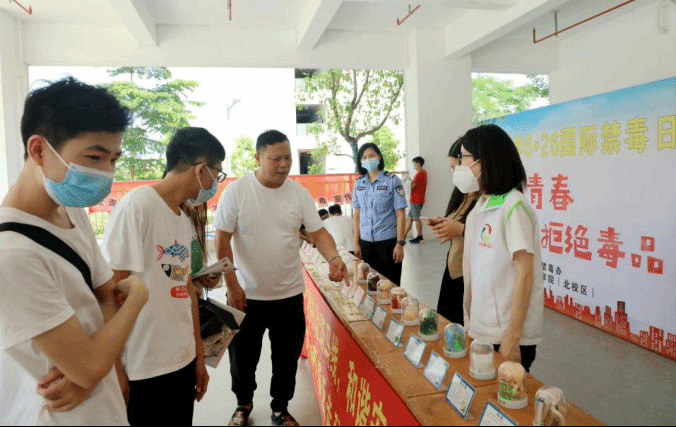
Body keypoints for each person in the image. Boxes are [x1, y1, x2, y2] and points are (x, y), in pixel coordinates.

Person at [0, 77, 148, 425]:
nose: (106, 171)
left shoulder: (70, 212)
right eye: (94, 156)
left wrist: (92, 372)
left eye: (113, 159)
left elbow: (106, 296)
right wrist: (140, 295)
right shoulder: (12, 254)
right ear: (38, 150)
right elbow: (89, 364)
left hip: (102, 409)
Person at [214, 129, 349, 427]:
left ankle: (280, 408)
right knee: (242, 359)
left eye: (288, 158)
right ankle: (243, 403)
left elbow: (319, 233)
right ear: (258, 158)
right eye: (276, 159)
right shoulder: (237, 192)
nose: (284, 164)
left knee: (286, 360)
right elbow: (221, 240)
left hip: (288, 295)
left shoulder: (298, 194)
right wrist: (232, 285)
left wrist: (334, 258)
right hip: (245, 295)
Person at [102, 127, 226, 425]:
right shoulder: (138, 206)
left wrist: (198, 358)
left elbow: (187, 293)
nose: (215, 184)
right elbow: (108, 294)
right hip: (143, 369)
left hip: (182, 362)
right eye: (217, 174)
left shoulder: (182, 219)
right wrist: (115, 371)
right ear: (201, 170)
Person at [460, 124, 544, 372]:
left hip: (506, 335)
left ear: (484, 161)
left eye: (464, 158)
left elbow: (525, 274)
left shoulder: (513, 207)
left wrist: (512, 338)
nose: (460, 166)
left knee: (507, 391)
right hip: (483, 329)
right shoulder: (482, 205)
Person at [427, 138, 478, 325]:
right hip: (453, 268)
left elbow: (490, 235)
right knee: (446, 323)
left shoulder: (486, 199)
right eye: (451, 169)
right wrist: (444, 224)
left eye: (457, 167)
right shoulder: (463, 194)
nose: (455, 174)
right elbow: (457, 222)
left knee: (461, 327)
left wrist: (460, 229)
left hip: (469, 274)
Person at [352, 143, 407, 286]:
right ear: (360, 161)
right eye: (364, 157)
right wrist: (356, 243)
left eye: (371, 156)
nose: (368, 159)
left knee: (390, 285)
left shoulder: (392, 181)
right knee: (370, 285)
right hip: (366, 243)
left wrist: (400, 243)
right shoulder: (358, 183)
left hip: (388, 243)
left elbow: (401, 214)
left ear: (379, 157)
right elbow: (356, 216)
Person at [404, 156, 427, 244]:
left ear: (418, 163)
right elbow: (415, 183)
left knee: (416, 218)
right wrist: (409, 179)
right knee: (409, 218)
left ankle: (420, 237)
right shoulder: (423, 173)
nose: (413, 165)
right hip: (418, 199)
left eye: (414, 163)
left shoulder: (419, 174)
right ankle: (403, 236)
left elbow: (412, 186)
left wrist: (405, 183)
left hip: (416, 200)